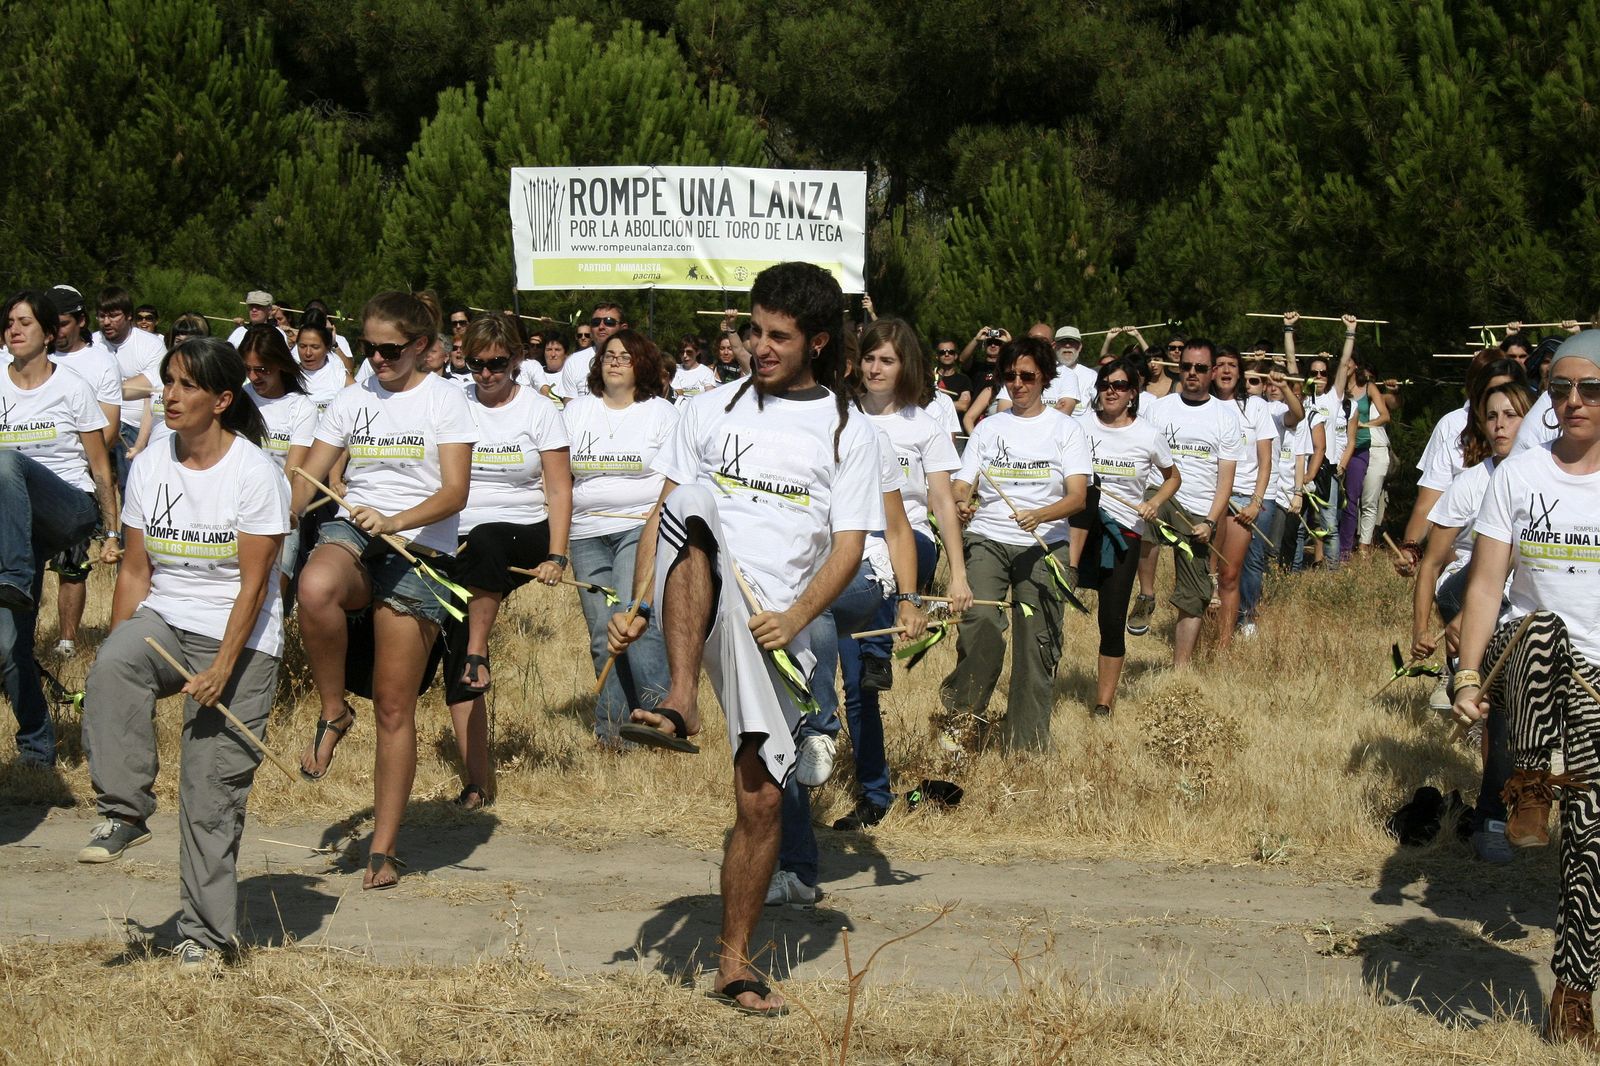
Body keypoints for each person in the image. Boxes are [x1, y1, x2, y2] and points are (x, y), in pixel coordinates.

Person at [607, 262, 881, 1016]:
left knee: (761, 800)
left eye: (777, 337)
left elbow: (849, 548)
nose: (756, 347)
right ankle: (681, 698)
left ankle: (735, 965)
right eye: (751, 330)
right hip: (700, 592)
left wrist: (794, 620)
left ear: (816, 342)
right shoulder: (704, 410)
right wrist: (636, 604)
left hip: (771, 623)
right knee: (696, 501)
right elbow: (662, 514)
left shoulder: (848, 431)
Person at [75, 336, 286, 973]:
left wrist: (223, 668)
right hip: (168, 616)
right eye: (168, 380)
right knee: (112, 666)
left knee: (209, 792)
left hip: (242, 639)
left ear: (222, 400)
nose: (170, 395)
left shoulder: (255, 473)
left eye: (188, 385)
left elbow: (254, 585)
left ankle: (206, 934)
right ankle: (124, 810)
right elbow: (136, 569)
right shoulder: (151, 464)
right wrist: (116, 641)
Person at [289, 291, 476, 890]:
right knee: (314, 587)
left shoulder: (446, 402)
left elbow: (455, 494)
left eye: (390, 349)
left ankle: (384, 847)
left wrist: (393, 522)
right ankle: (333, 709)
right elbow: (309, 477)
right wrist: (276, 522)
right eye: (368, 347)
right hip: (355, 530)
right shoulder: (351, 398)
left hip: (418, 550)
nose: (377, 358)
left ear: (422, 346)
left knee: (396, 708)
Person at [1451, 332, 1600, 1048]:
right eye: (1563, 387)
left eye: (1591, 390)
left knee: (1594, 845)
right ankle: (1531, 783)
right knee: (1540, 626)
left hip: (1599, 684)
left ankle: (1573, 991)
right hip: (1533, 669)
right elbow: (1485, 586)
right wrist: (1469, 673)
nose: (1574, 401)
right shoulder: (1522, 474)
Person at [837, 317, 970, 821]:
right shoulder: (840, 417)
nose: (875, 367)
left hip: (907, 540)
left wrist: (957, 573)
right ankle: (872, 793)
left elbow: (940, 500)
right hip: (848, 544)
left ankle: (875, 648)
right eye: (869, 357)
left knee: (864, 657)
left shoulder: (925, 425)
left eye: (886, 359)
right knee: (856, 687)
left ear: (905, 364)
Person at [442, 314, 571, 807]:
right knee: (449, 640)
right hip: (456, 535)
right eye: (475, 363)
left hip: (522, 532)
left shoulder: (539, 412)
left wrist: (557, 554)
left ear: (517, 359)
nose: (485, 373)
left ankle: (479, 649)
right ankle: (477, 780)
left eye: (496, 363)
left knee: (490, 539)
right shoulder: (452, 405)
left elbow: (559, 489)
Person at [939, 336, 1090, 752]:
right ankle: (963, 722)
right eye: (1010, 376)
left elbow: (1078, 496)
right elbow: (961, 484)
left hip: (1044, 543)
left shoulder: (1066, 429)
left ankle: (1025, 743)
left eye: (1027, 376)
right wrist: (961, 503)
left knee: (1036, 641)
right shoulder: (989, 428)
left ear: (1045, 378)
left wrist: (1041, 515)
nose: (1018, 384)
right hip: (988, 537)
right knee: (980, 622)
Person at [1410, 382, 1529, 862]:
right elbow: (1432, 565)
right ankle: (1492, 819)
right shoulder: (1471, 482)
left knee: (1520, 717)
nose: (1500, 425)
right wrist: (1423, 628)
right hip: (1468, 594)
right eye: (1492, 416)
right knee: (1496, 712)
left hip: (1522, 602)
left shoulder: (1547, 476)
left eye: (1511, 415)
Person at [1, 291, 120, 766]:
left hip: (69, 508)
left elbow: (100, 466)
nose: (14, 329)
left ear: (49, 334)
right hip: (17, 527)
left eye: (25, 322)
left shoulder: (71, 386)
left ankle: (10, 578)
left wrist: (112, 534)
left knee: (8, 462)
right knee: (8, 646)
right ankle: (36, 741)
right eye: (8, 321)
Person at [564, 329, 676, 742]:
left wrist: (660, 512)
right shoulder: (576, 411)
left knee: (632, 623)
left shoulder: (661, 413)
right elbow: (558, 473)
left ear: (641, 365)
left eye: (624, 357)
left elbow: (677, 474)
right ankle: (612, 732)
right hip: (587, 530)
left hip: (640, 528)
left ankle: (660, 718)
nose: (613, 361)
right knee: (601, 634)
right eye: (608, 355)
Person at [1080, 356, 1178, 714]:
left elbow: (1173, 477)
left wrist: (1154, 503)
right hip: (1078, 526)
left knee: (1111, 617)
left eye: (1119, 385)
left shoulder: (1147, 434)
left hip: (1123, 531)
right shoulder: (1079, 426)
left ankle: (1103, 703)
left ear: (1133, 394)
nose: (1111, 391)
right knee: (1051, 603)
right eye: (1105, 384)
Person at [1142, 339, 1242, 668]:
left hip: (1199, 508)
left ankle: (1180, 667)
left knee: (1195, 591)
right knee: (1145, 518)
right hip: (1162, 493)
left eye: (1200, 368)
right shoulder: (1159, 408)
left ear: (1212, 372)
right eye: (1186, 367)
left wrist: (1211, 522)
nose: (1192, 373)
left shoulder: (1225, 417)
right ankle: (1146, 594)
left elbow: (1225, 480)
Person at [38, 285, 121, 657]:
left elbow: (110, 428)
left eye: (63, 323)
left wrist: (76, 453)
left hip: (73, 478)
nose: (55, 332)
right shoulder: (19, 358)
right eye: (49, 324)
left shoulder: (100, 363)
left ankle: (67, 640)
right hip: (22, 478)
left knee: (71, 565)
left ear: (81, 321)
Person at [1394, 352, 1529, 574]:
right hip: (1462, 563)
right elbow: (1427, 505)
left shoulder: (1542, 452)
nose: (1501, 399)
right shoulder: (1455, 446)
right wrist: (1411, 549)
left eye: (1511, 393)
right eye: (1492, 393)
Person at [239, 325, 317, 603]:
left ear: (280, 365)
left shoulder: (302, 408)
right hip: (237, 506)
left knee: (272, 593)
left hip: (282, 509)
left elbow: (294, 471)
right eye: (248, 369)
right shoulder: (238, 400)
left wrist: (287, 513)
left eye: (262, 369)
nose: (253, 376)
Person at [1208, 347, 1277, 647]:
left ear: (1240, 372)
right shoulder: (1202, 406)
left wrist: (1256, 501)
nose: (1225, 370)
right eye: (1220, 365)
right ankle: (1199, 637)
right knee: (1203, 576)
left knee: (1230, 574)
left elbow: (1265, 460)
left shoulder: (1256, 407)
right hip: (1207, 500)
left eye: (1232, 365)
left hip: (1241, 500)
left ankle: (1223, 643)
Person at [94, 286, 167, 484]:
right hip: (97, 420)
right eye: (102, 316)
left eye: (114, 316)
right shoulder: (92, 344)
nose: (106, 322)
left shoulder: (151, 345)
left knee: (133, 484)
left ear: (128, 316)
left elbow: (149, 390)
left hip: (135, 425)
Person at [1336, 361, 1389, 558]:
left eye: (1350, 361)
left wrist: (1364, 425)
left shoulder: (1369, 387)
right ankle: (1332, 547)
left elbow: (1385, 415)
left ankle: (1351, 550)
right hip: (1339, 448)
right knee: (1336, 500)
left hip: (1362, 448)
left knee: (1358, 499)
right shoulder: (1336, 387)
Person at [558, 302, 627, 400]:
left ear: (623, 328)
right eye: (596, 322)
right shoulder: (574, 361)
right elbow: (570, 403)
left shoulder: (636, 360)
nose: (601, 327)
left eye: (609, 322)